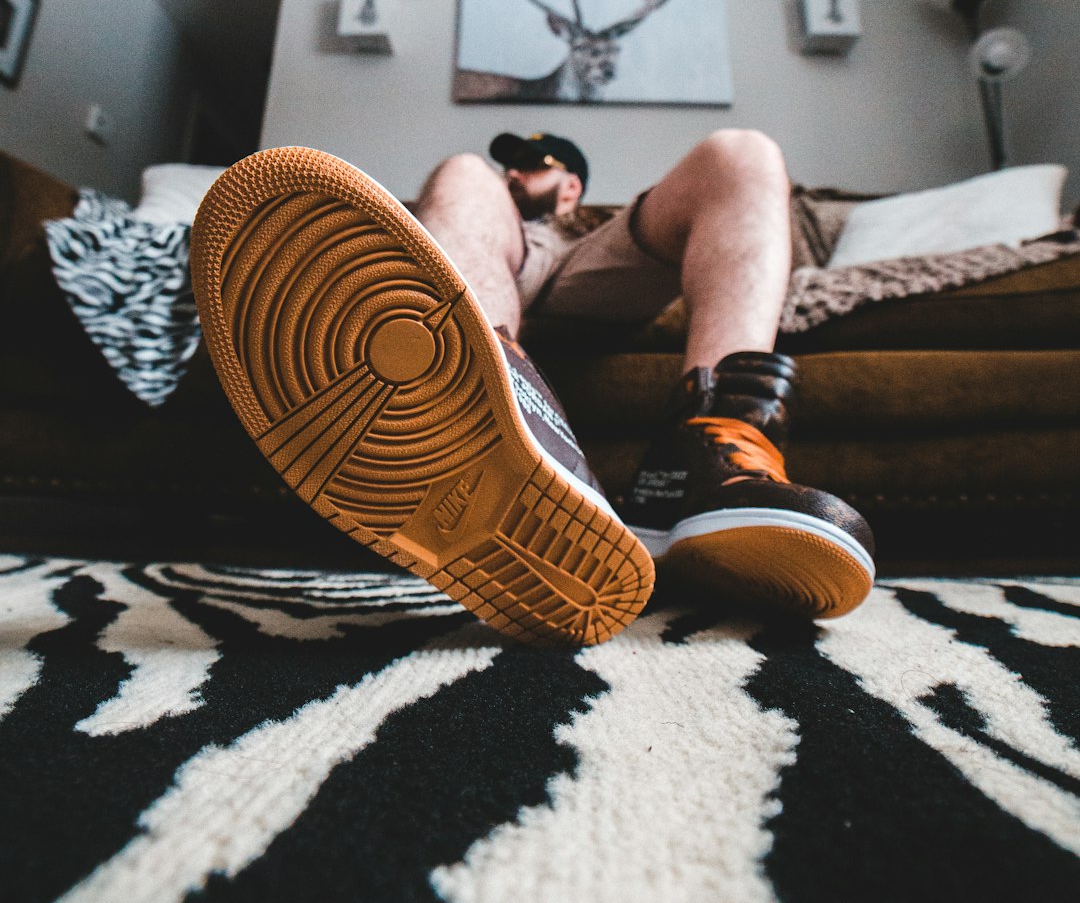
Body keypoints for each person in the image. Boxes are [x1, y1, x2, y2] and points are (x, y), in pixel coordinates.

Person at [190, 131, 874, 650]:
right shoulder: (488, 196)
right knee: (464, 172)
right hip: (480, 262)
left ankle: (718, 445)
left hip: (585, 268)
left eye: (534, 166)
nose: (516, 172)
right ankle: (485, 383)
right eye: (511, 165)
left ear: (572, 187)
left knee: (743, 151)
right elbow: (479, 190)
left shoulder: (590, 227)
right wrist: (486, 200)